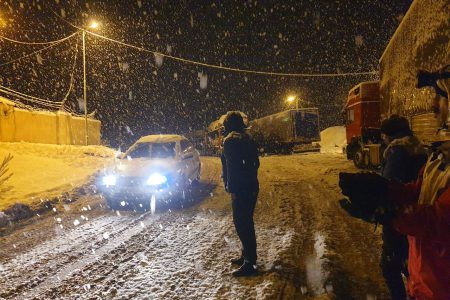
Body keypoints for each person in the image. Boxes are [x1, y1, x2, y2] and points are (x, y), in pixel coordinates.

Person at [379, 115, 427, 300]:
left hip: (400, 216)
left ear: (389, 135)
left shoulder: (398, 151)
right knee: (411, 261)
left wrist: (380, 198)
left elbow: (390, 184)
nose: (383, 139)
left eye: (384, 135)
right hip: (415, 213)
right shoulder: (417, 147)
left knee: (390, 264)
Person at [220, 111, 260, 277]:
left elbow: (232, 169)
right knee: (246, 222)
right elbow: (256, 163)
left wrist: (233, 189)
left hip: (241, 189)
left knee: (241, 223)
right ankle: (247, 257)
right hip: (251, 186)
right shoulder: (247, 138)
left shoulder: (230, 141)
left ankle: (250, 263)